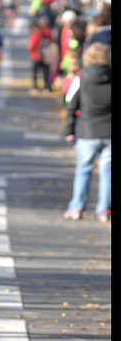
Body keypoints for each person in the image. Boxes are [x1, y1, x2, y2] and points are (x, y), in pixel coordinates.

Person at [62, 42, 111, 223]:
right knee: (108, 172)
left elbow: (70, 104)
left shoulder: (80, 80)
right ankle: (104, 209)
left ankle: (77, 207)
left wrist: (69, 129)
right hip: (110, 132)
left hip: (87, 131)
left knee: (83, 170)